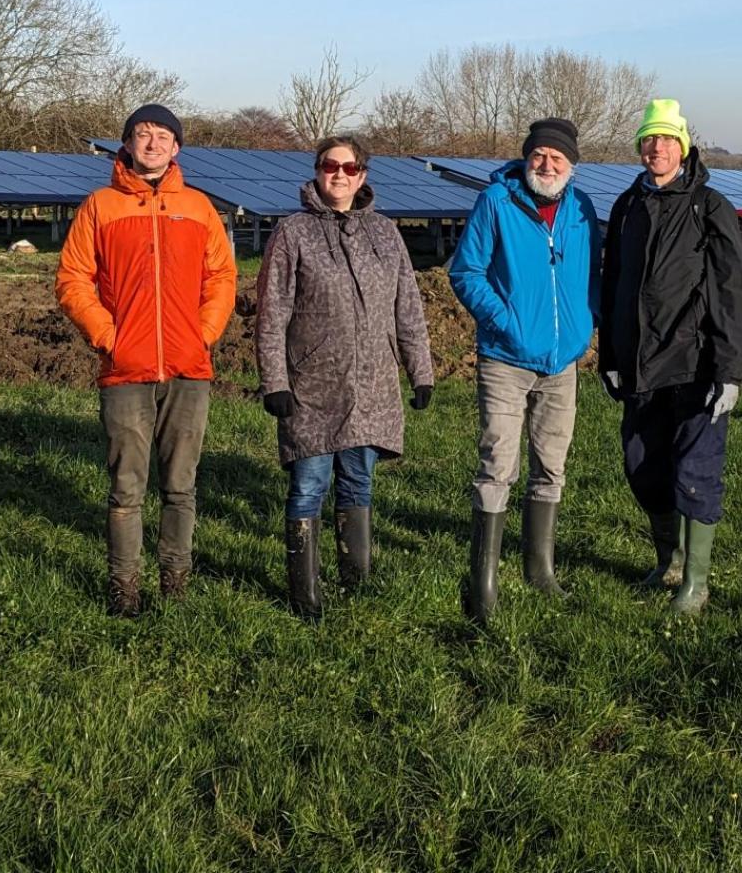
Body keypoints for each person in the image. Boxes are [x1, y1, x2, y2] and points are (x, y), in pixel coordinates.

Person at [56, 103, 237, 616]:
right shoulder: (101, 206)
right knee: (126, 488)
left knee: (180, 486)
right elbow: (73, 279)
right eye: (143, 134)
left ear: (176, 148)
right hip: (125, 370)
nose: (153, 143)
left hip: (188, 368)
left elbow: (222, 278)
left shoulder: (198, 207)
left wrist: (202, 335)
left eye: (162, 136)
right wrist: (108, 337)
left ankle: (175, 582)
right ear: (127, 144)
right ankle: (124, 588)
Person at [255, 136, 436, 620]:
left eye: (349, 167)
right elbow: (272, 313)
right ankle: (305, 595)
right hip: (311, 385)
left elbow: (407, 307)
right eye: (329, 166)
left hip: (372, 384)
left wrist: (420, 371)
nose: (339, 174)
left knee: (358, 482)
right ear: (317, 172)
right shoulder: (292, 232)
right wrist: (275, 381)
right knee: (309, 485)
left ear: (363, 176)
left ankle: (357, 582)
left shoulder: (385, 233)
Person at [598, 98, 742, 616]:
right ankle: (669, 559)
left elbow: (732, 293)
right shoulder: (627, 206)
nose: (656, 148)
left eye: (666, 139)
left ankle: (696, 583)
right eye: (649, 139)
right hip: (641, 364)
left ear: (682, 147)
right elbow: (614, 284)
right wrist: (610, 355)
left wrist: (729, 371)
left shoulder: (709, 207)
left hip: (696, 364)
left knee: (696, 470)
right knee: (643, 467)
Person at [446, 117, 600, 624]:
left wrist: (584, 323)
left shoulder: (581, 209)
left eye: (557, 158)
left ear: (571, 165)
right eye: (539, 155)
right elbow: (465, 271)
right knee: (497, 463)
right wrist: (504, 321)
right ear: (527, 157)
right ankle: (483, 579)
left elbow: (591, 275)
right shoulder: (497, 202)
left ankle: (540, 568)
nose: (547, 165)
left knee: (552, 464)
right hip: (505, 359)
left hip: (562, 363)